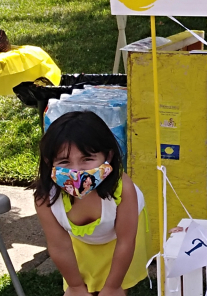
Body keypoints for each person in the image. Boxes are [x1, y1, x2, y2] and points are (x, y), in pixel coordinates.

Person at [33, 111, 150, 296]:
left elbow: (126, 241)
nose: (76, 171)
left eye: (87, 159)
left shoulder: (123, 189)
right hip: (81, 242)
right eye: (64, 161)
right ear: (49, 163)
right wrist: (75, 286)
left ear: (108, 156)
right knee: (82, 282)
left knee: (116, 285)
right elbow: (59, 246)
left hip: (121, 238)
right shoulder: (45, 198)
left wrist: (113, 287)